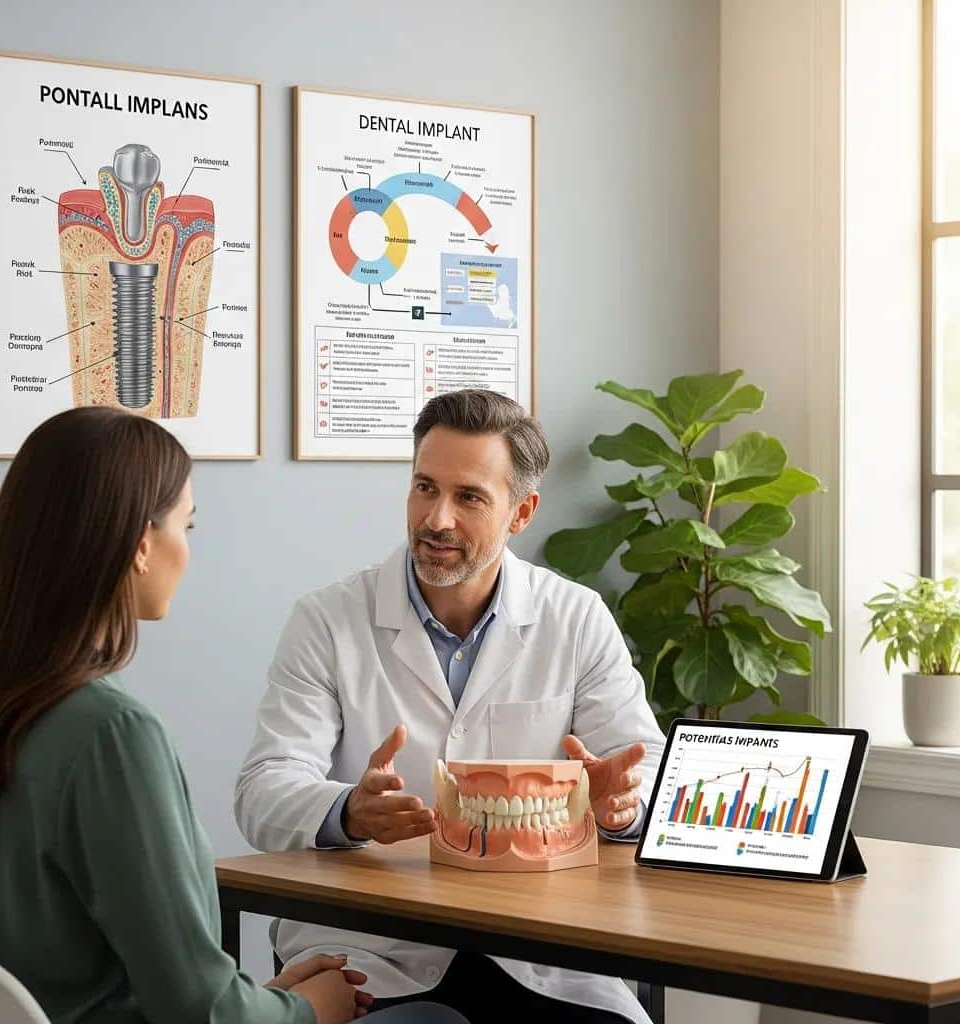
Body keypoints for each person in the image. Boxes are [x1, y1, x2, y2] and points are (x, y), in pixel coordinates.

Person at [0, 408, 468, 1024]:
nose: (188, 550)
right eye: (186, 525)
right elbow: (200, 1009)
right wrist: (308, 1011)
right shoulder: (110, 736)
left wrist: (273, 1000)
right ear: (142, 545)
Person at [235, 390, 666, 1024]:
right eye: (424, 488)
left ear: (522, 512)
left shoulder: (575, 618)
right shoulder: (327, 620)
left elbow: (646, 766)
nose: (436, 519)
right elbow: (263, 791)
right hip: (373, 949)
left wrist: (619, 807)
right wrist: (349, 811)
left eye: (468, 497)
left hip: (542, 948)